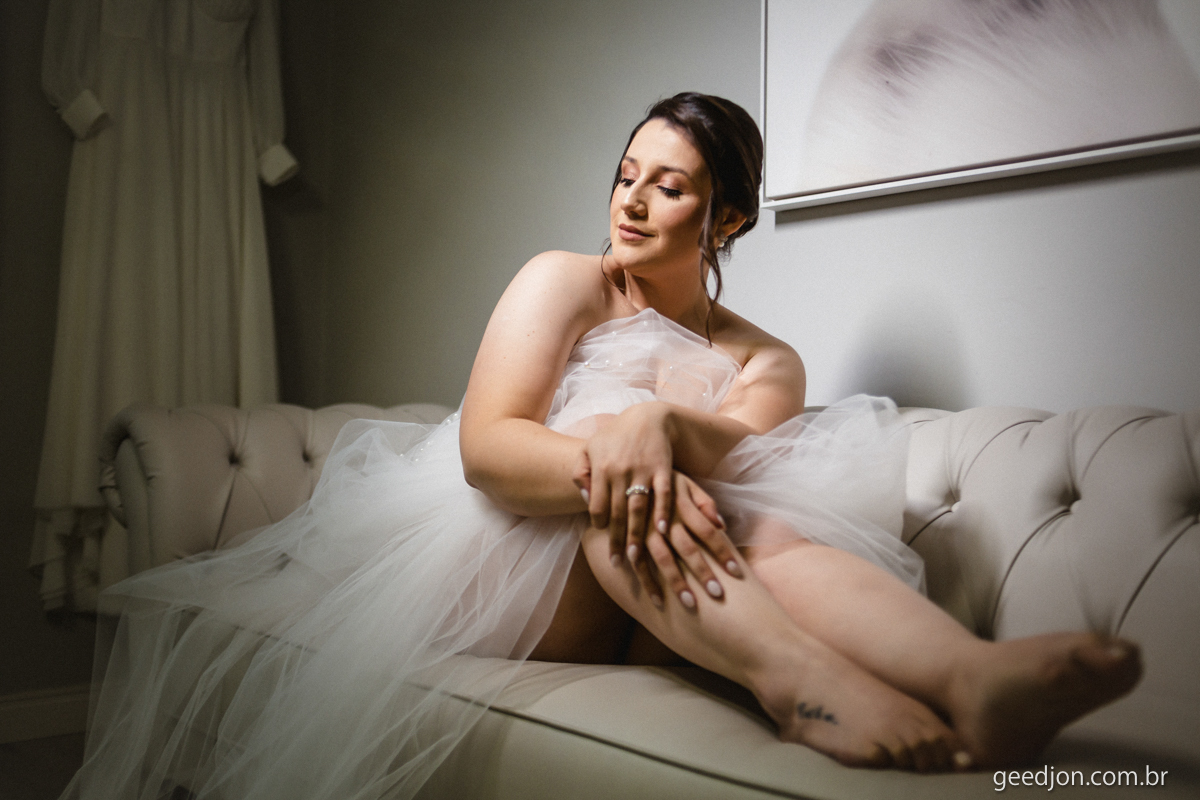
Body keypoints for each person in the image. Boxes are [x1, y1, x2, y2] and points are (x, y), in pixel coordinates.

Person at [61, 93, 1141, 800]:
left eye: (668, 185)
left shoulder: (768, 360)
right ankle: (800, 677)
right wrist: (622, 444)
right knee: (616, 470)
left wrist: (663, 422)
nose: (631, 199)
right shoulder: (564, 281)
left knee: (741, 512)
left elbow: (746, 466)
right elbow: (489, 450)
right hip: (503, 577)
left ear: (726, 221)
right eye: (627, 173)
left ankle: (973, 675)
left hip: (668, 598)